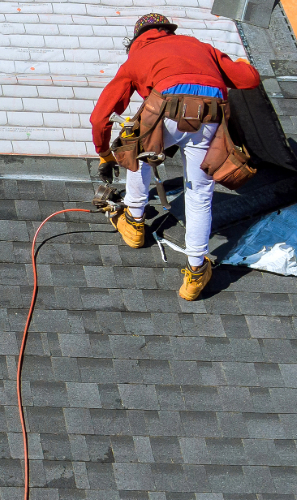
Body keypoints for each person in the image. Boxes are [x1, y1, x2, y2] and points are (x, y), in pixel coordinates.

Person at [90, 13, 261, 300]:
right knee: (199, 194)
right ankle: (196, 271)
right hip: (209, 115)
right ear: (168, 31)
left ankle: (134, 222)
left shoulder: (138, 56)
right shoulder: (200, 46)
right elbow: (249, 79)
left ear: (137, 39)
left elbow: (100, 118)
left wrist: (105, 153)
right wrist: (242, 63)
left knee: (138, 150)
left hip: (166, 110)